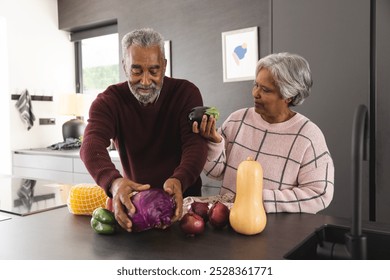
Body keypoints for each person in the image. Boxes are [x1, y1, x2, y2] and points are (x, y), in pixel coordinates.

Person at [80, 28, 208, 231]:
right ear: (124, 66)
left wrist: (179, 179)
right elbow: (90, 146)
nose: (146, 81)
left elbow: (196, 145)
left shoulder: (186, 93)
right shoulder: (108, 101)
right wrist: (114, 183)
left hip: (184, 202)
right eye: (136, 71)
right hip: (136, 206)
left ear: (164, 66)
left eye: (154, 71)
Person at [193, 52, 334, 214]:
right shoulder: (237, 120)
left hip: (277, 231)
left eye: (266, 90)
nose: (255, 93)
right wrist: (215, 142)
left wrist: (259, 199)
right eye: (256, 85)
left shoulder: (308, 136)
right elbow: (215, 173)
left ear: (289, 96)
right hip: (229, 222)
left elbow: (320, 194)